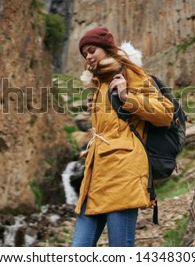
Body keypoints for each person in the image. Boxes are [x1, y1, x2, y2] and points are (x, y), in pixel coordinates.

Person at [71, 26, 174, 247]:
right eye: (84, 54)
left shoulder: (131, 73)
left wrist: (127, 96)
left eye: (91, 50)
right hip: (95, 175)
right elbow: (111, 128)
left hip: (123, 174)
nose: (88, 57)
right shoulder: (100, 84)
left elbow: (165, 114)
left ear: (107, 48)